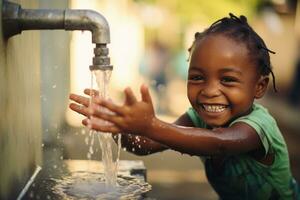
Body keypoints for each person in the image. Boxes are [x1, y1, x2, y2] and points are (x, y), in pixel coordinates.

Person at [69, 13, 299, 199]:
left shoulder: (259, 127)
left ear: (259, 87)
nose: (209, 91)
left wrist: (150, 125)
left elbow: (219, 144)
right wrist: (120, 126)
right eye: (197, 78)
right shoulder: (198, 118)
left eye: (227, 80)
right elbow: (146, 144)